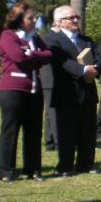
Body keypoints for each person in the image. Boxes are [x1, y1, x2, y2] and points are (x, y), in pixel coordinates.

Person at [0, 3, 52, 182]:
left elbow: (49, 55)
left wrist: (32, 54)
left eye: (35, 17)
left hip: (34, 90)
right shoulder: (8, 36)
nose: (35, 20)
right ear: (20, 20)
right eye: (30, 17)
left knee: (34, 131)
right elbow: (18, 58)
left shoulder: (34, 37)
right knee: (10, 130)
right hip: (13, 90)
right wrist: (35, 57)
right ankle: (6, 171)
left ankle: (33, 169)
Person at [45, 5, 99, 176]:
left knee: (87, 131)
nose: (76, 20)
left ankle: (86, 164)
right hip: (67, 92)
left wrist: (96, 70)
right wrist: (83, 71)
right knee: (67, 132)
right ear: (60, 22)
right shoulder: (53, 40)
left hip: (88, 91)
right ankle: (65, 166)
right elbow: (62, 62)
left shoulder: (86, 40)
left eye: (77, 17)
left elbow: (97, 58)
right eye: (71, 18)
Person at [41, 22, 60, 151]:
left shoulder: (48, 37)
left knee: (49, 112)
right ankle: (58, 142)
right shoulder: (52, 38)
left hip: (48, 80)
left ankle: (49, 141)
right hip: (51, 79)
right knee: (54, 112)